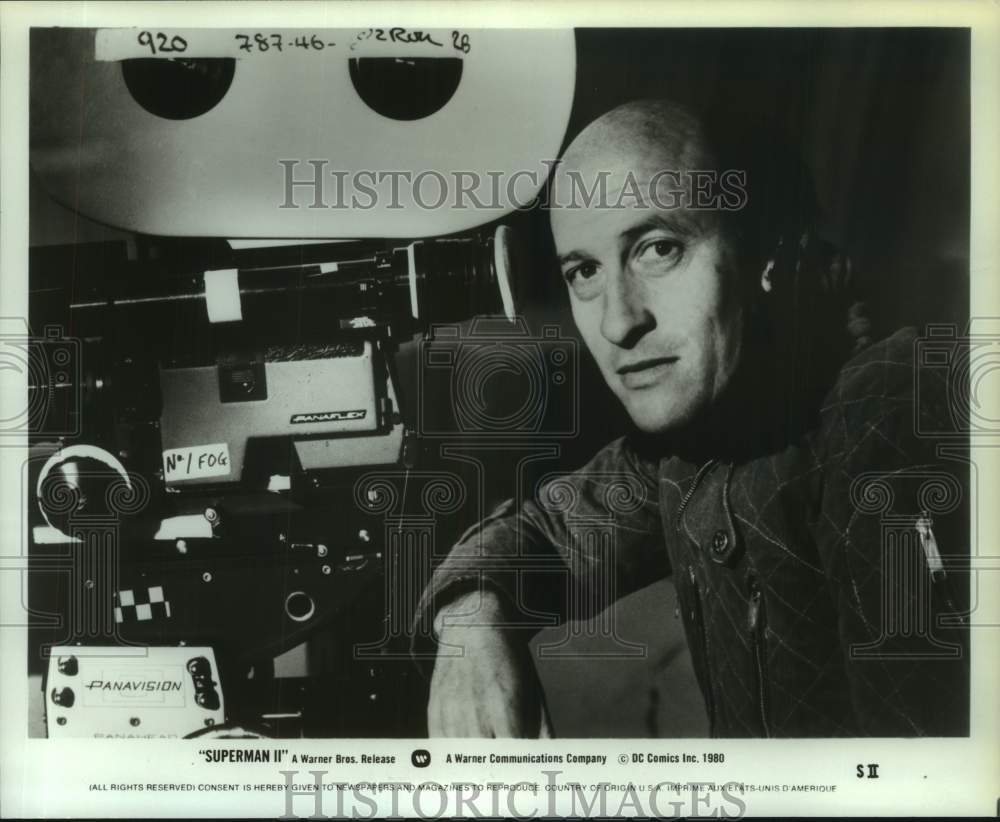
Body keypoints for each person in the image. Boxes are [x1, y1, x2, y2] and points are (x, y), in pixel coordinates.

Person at [412, 99, 969, 738]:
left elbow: (925, 772)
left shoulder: (887, 410)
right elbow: (544, 530)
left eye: (658, 249)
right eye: (585, 270)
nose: (619, 322)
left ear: (767, 250)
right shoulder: (697, 436)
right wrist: (470, 623)